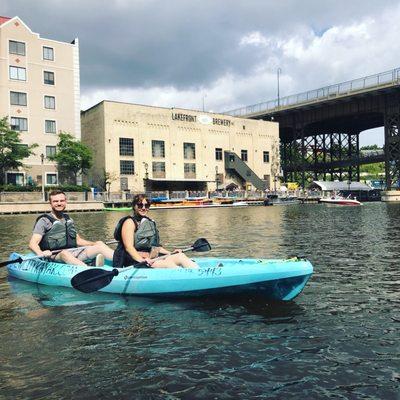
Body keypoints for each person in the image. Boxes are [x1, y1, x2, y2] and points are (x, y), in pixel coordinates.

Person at [29, 189, 114, 266]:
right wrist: (40, 253)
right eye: (55, 201)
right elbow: (33, 243)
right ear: (50, 203)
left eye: (61, 201)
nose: (59, 203)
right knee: (64, 253)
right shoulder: (44, 221)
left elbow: (78, 241)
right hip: (54, 255)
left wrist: (94, 243)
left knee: (99, 245)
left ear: (65, 202)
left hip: (73, 252)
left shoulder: (68, 219)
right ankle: (88, 270)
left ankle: (123, 261)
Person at [113, 193, 198, 268]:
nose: (143, 208)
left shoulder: (149, 222)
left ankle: (198, 274)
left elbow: (156, 248)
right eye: (140, 205)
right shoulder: (129, 222)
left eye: (146, 205)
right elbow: (129, 248)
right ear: (134, 206)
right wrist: (142, 260)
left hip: (149, 258)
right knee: (168, 264)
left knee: (180, 256)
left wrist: (171, 253)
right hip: (133, 260)